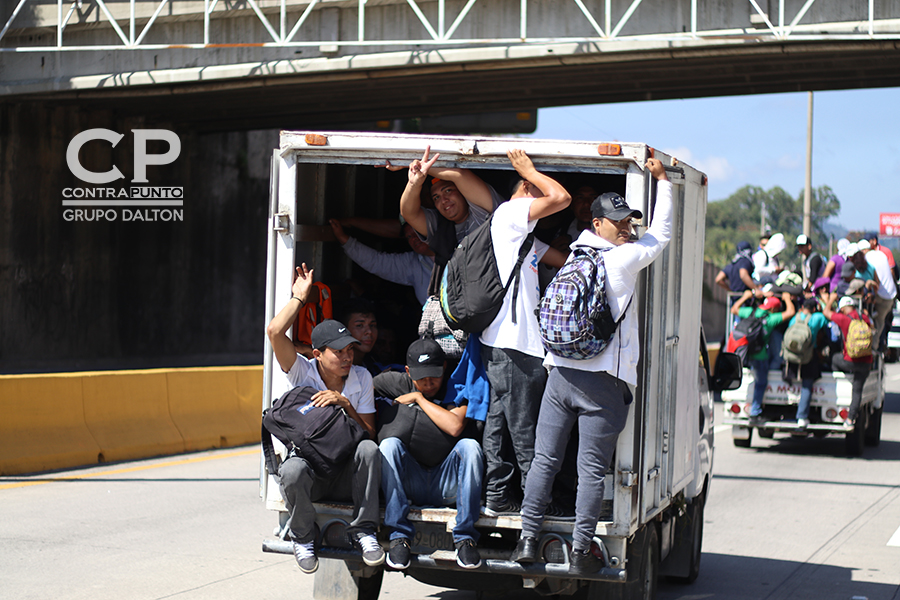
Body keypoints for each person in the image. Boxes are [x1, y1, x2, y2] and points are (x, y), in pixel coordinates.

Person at [511, 158, 671, 575]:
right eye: (618, 221)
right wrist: (663, 183)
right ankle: (581, 551)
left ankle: (527, 541)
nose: (626, 229)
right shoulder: (620, 261)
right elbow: (662, 235)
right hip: (601, 383)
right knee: (590, 470)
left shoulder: (572, 258)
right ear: (597, 222)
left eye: (630, 222)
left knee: (544, 460)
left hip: (559, 376)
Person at [467, 150, 570, 517]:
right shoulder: (511, 214)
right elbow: (561, 198)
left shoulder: (522, 239)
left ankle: (496, 494)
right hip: (514, 345)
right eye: (533, 189)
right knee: (527, 427)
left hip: (501, 344)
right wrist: (530, 171)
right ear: (526, 188)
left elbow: (561, 259)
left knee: (499, 421)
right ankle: (536, 502)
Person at [265, 265, 384, 573]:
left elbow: (369, 435)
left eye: (350, 350)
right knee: (290, 470)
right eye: (338, 351)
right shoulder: (302, 373)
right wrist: (298, 298)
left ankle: (365, 531)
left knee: (369, 450)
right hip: (314, 474)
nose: (347, 357)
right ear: (317, 354)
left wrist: (345, 404)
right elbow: (275, 332)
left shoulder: (361, 377)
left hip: (346, 475)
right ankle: (303, 537)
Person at [375, 337, 484, 570]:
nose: (429, 382)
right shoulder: (395, 381)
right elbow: (361, 386)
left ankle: (465, 537)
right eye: (421, 377)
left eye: (434, 374)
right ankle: (398, 536)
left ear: (445, 366)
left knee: (470, 448)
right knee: (389, 445)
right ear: (407, 371)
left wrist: (417, 399)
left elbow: (454, 425)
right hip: (410, 481)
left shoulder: (456, 385)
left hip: (446, 484)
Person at [330, 219, 435, 306]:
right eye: (409, 236)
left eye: (417, 232)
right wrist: (344, 239)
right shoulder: (414, 263)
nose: (414, 239)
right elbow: (377, 261)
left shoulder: (451, 252)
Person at [730, 289, 796, 425]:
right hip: (760, 356)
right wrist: (787, 298)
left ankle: (754, 408)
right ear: (773, 308)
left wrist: (745, 296)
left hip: (747, 352)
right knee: (761, 383)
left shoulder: (751, 312)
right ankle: (755, 412)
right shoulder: (770, 319)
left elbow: (734, 309)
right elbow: (790, 312)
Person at [821, 296, 874, 425]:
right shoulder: (864, 318)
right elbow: (872, 327)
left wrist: (830, 300)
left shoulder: (844, 319)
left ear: (843, 309)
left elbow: (826, 313)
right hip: (866, 361)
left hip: (851, 360)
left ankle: (840, 379)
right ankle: (850, 419)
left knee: (834, 359)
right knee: (857, 391)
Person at [784, 297, 829, 429]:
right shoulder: (817, 318)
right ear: (814, 309)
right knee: (807, 385)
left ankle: (788, 410)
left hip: (792, 355)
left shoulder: (794, 318)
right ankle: (802, 417)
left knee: (791, 381)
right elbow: (827, 317)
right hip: (809, 356)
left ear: (803, 307)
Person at [859, 238, 897, 351]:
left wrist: (873, 294)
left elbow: (876, 282)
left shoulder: (867, 258)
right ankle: (877, 348)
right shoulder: (881, 254)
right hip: (890, 294)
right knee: (880, 322)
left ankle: (872, 349)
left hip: (881, 295)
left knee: (873, 322)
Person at [336, 298, 385, 377]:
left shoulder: (375, 366)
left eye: (372, 325)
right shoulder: (334, 369)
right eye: (359, 325)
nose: (369, 331)